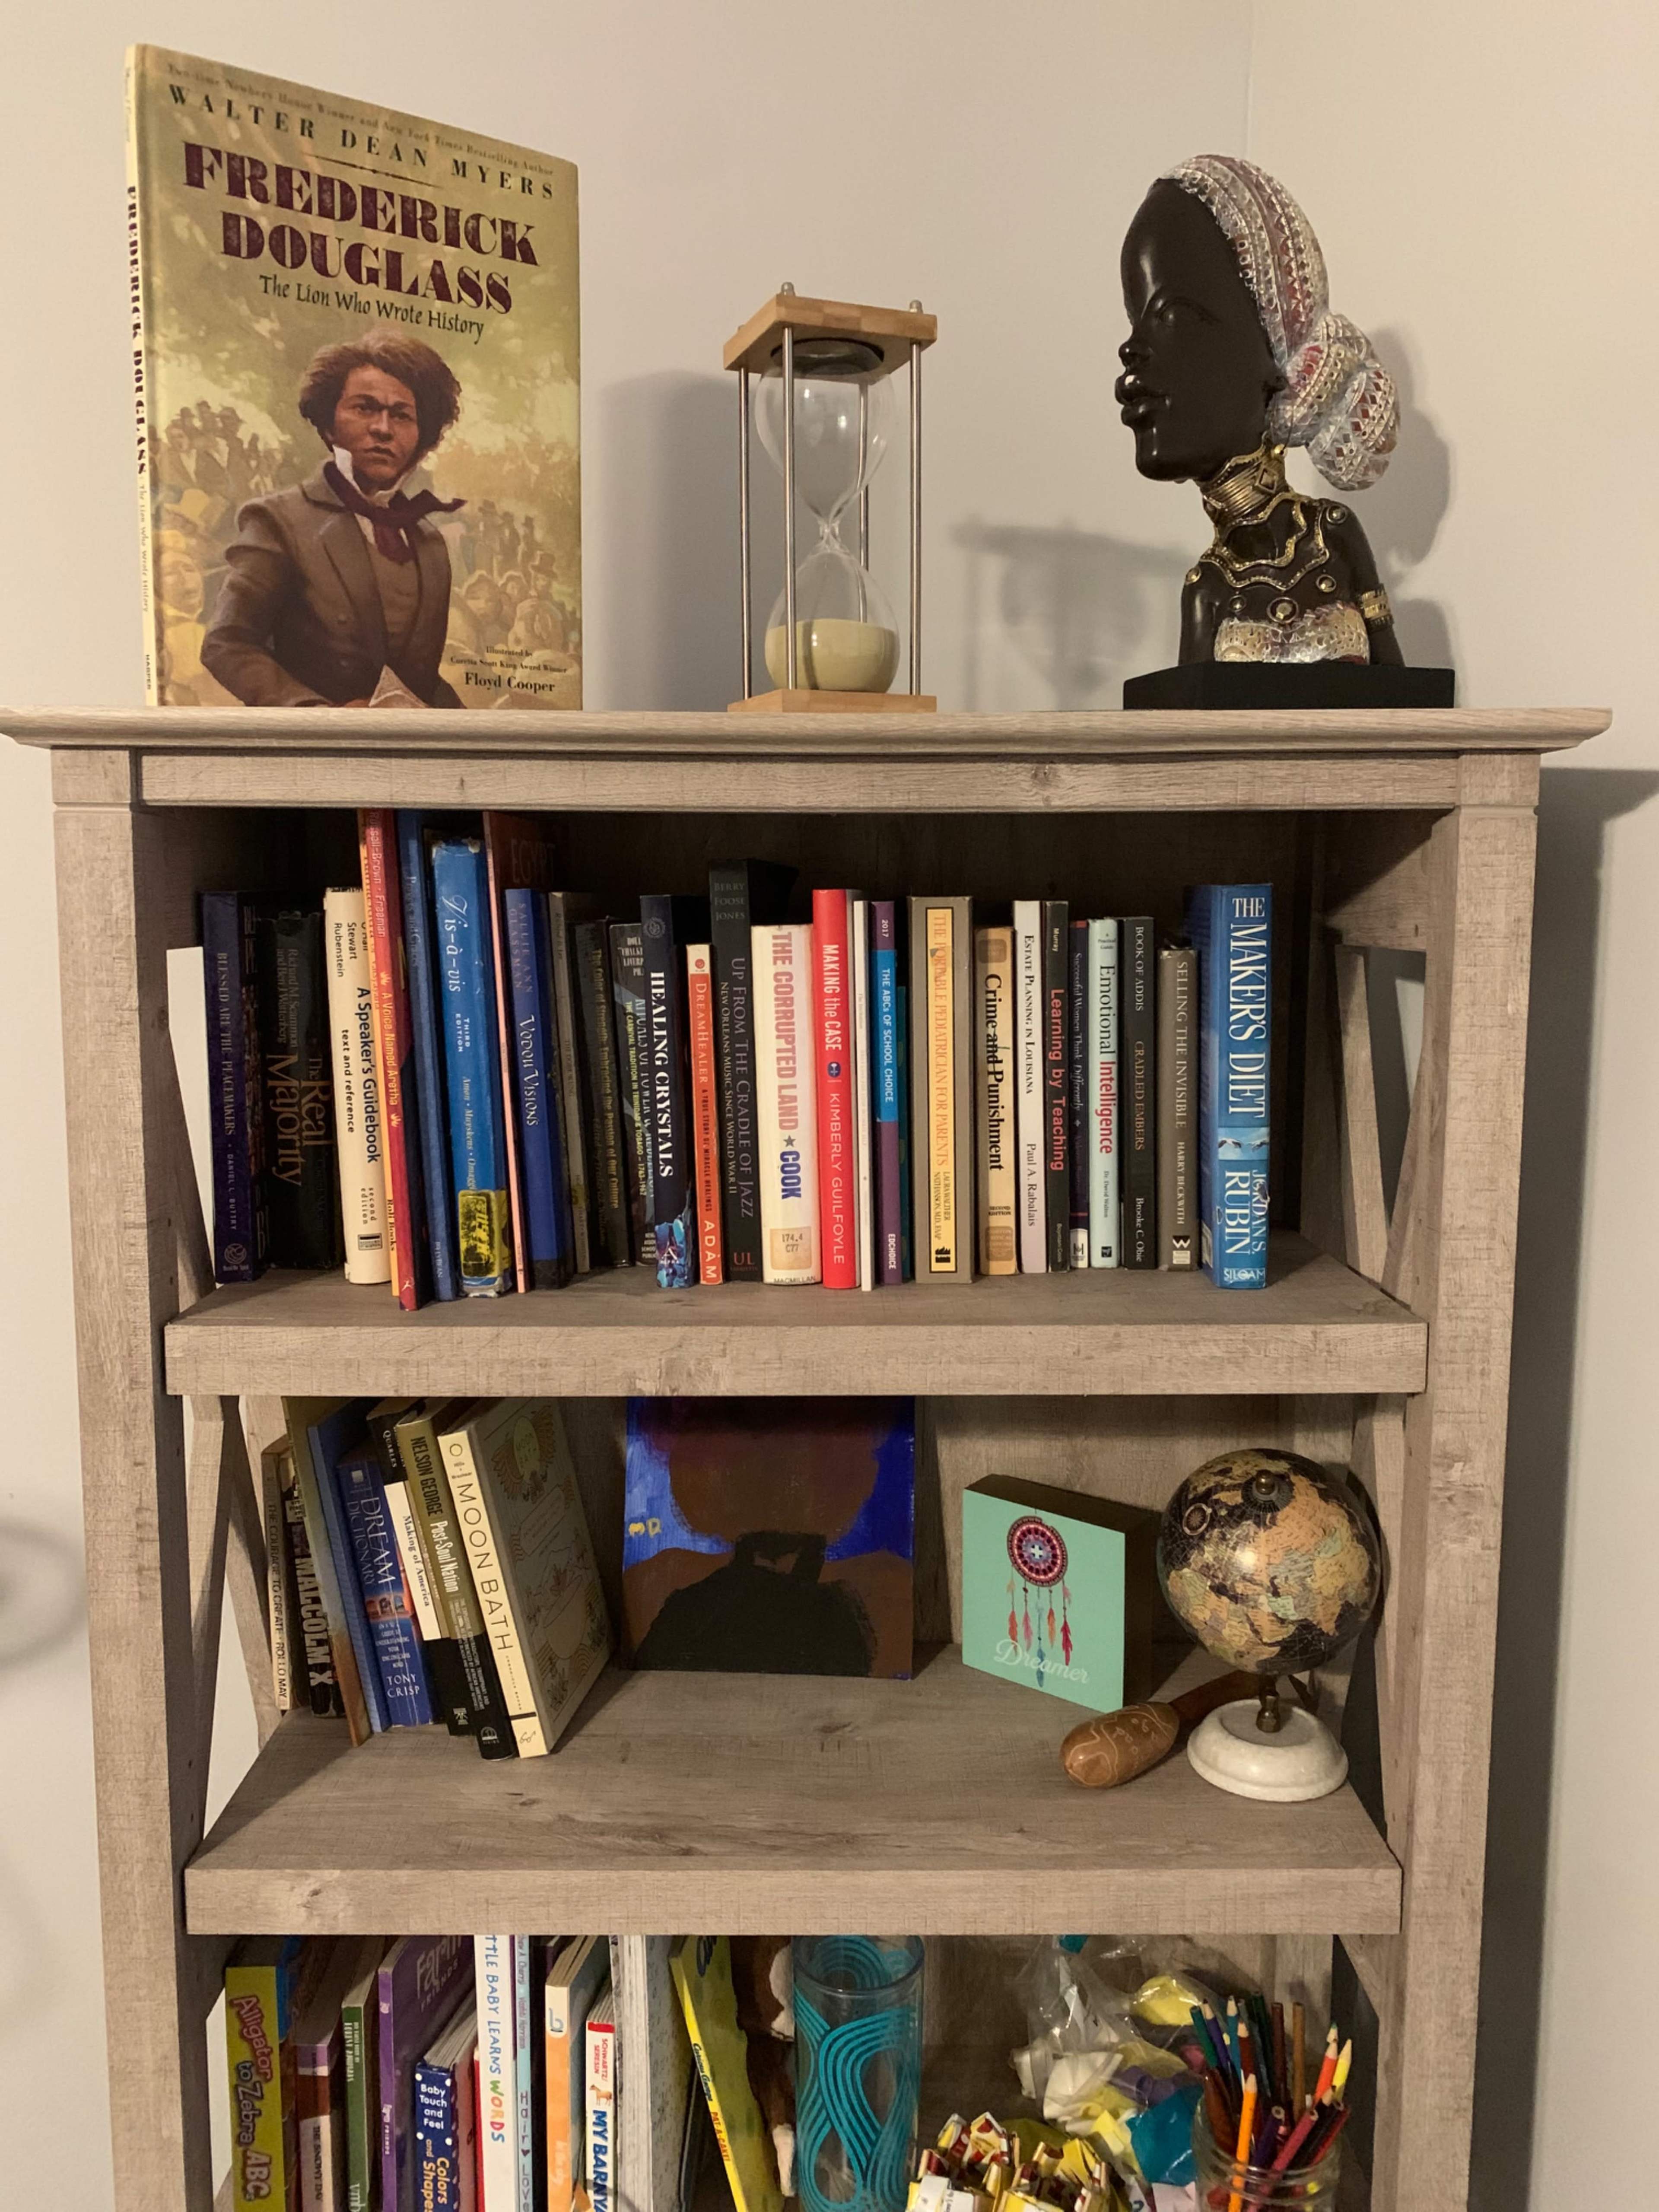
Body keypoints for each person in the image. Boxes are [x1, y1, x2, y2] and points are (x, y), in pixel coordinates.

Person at [1115, 154, 1402, 666]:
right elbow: (1184, 736)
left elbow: (1405, 703)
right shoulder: (1208, 585)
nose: (1131, 350)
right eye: (1137, 321)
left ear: (1274, 352)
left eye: (1173, 317)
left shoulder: (1333, 533)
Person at [202, 331, 467, 706]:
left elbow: (420, 682)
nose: (383, 429)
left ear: (422, 439)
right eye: (365, 408)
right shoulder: (278, 520)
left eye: (402, 415)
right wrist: (321, 720)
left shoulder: (429, 543)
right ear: (329, 423)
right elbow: (227, 644)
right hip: (310, 752)